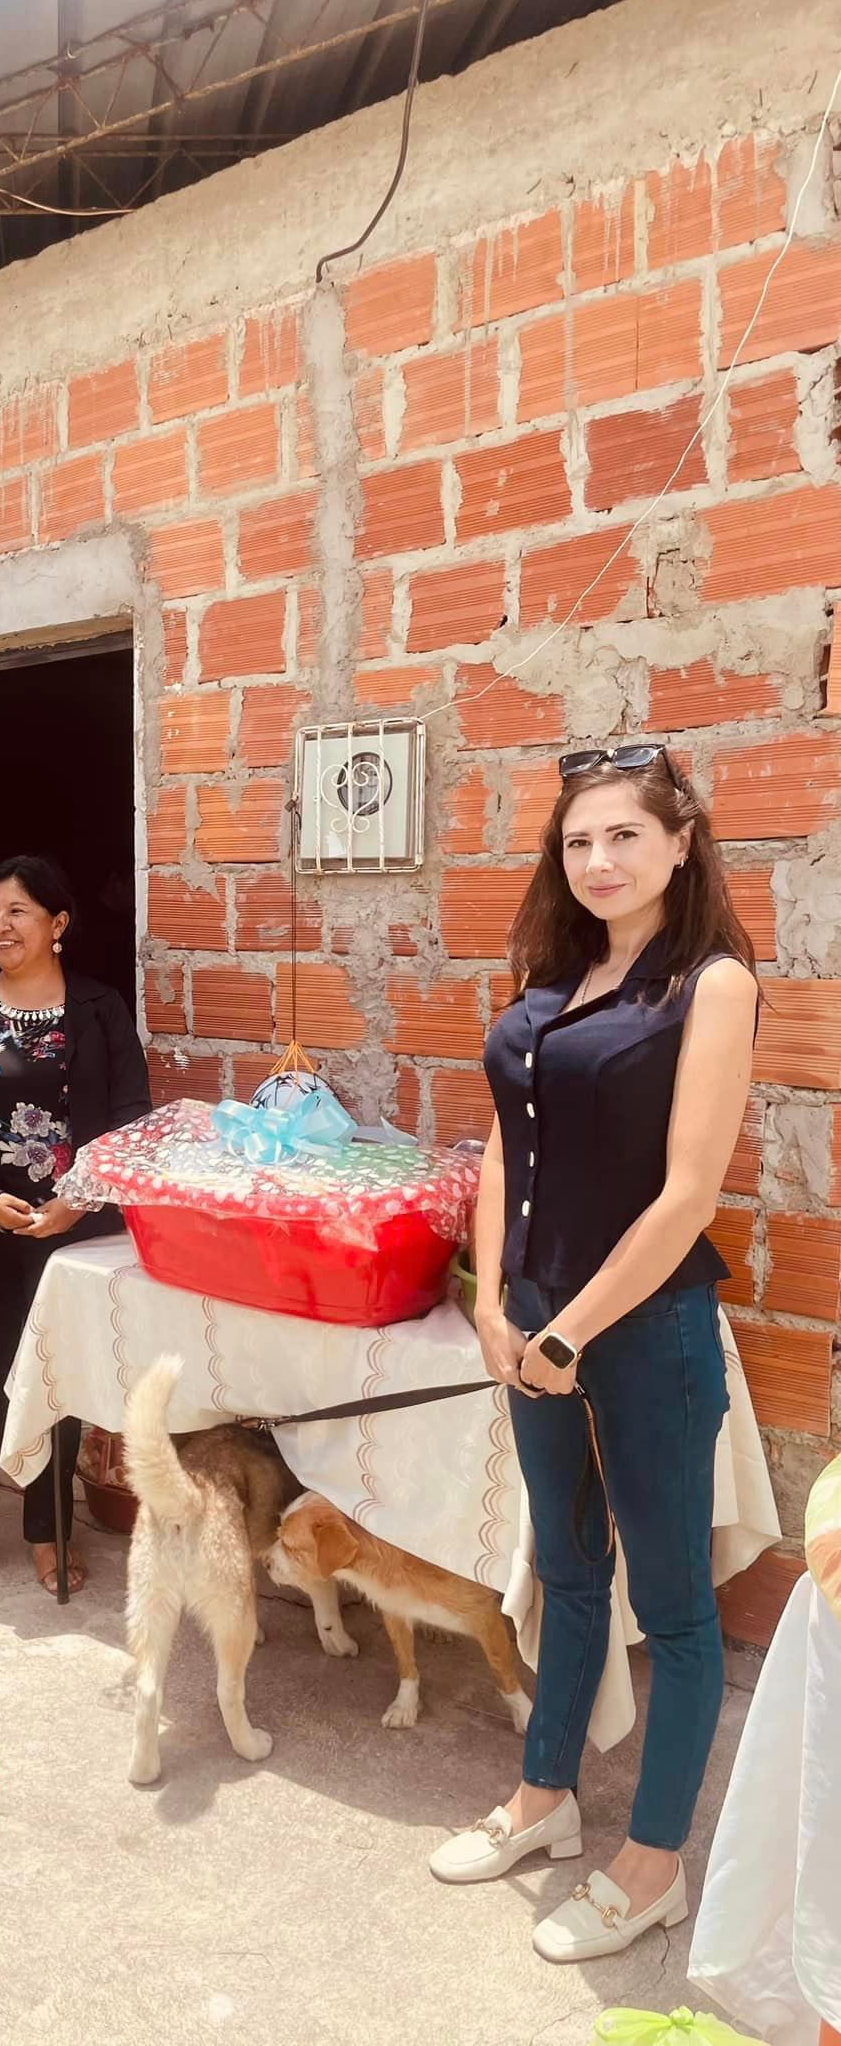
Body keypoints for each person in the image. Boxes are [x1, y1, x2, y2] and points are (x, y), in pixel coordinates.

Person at [429, 744, 759, 1964]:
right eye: (578, 840)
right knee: (565, 1568)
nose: (600, 860)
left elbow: (688, 1193)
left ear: (680, 842)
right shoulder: (553, 976)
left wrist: (573, 1328)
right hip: (531, 1324)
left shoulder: (710, 983)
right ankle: (545, 1797)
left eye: (624, 835)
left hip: (644, 1332)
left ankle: (655, 1862)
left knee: (672, 1607)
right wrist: (495, 1306)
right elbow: (501, 1149)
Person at [0, 855, 149, 1608]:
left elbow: (128, 1119)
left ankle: (50, 1532)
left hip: (68, 1230)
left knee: (56, 1380)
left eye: (17, 911)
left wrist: (75, 1203)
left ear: (58, 925)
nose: (0, 925)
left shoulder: (100, 1008)